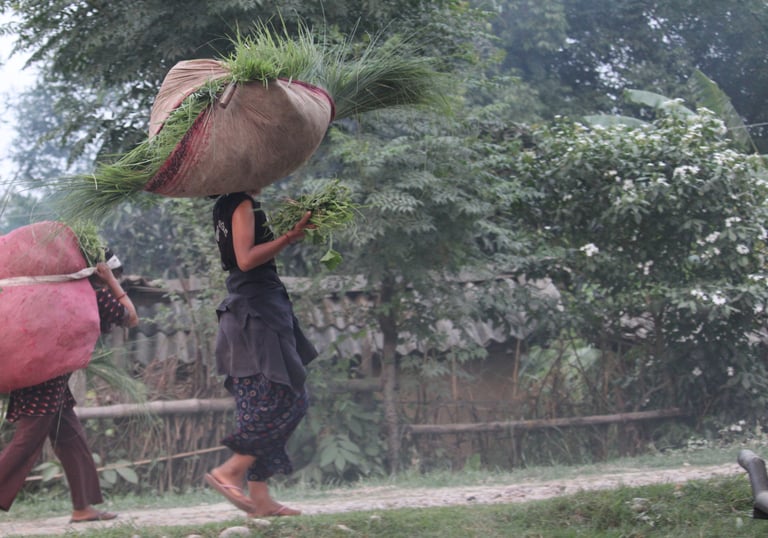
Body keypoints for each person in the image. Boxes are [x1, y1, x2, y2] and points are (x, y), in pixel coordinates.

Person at [0, 249, 139, 522]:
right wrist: (111, 281)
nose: (115, 280)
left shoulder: (62, 291)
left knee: (72, 440)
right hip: (46, 381)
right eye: (114, 274)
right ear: (101, 271)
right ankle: (82, 506)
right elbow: (131, 317)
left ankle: (82, 506)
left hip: (43, 376)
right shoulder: (92, 294)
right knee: (25, 443)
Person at [205, 191, 317, 517]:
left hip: (241, 312)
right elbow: (245, 259)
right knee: (289, 397)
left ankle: (260, 497)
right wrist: (289, 237)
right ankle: (231, 470)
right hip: (258, 312)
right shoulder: (242, 203)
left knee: (254, 400)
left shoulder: (225, 203)